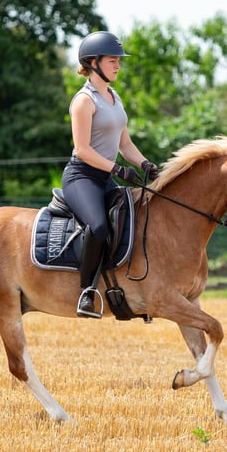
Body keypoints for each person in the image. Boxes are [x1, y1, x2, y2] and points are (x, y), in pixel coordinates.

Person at [61, 31, 159, 318]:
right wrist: (117, 169)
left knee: (138, 217)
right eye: (112, 60)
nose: (118, 66)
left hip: (105, 178)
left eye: (118, 61)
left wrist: (145, 165)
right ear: (93, 63)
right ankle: (86, 293)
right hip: (82, 178)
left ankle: (134, 290)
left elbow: (125, 144)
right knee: (99, 228)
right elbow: (82, 150)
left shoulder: (114, 97)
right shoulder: (84, 101)